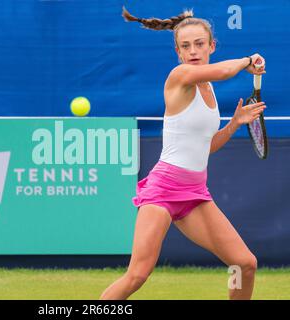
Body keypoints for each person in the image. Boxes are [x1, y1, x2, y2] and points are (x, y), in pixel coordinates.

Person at [100, 7, 266, 300]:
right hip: (163, 190)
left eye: (200, 44)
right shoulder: (180, 76)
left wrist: (234, 124)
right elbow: (227, 70)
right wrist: (247, 60)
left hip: (195, 193)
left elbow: (206, 146)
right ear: (178, 52)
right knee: (138, 275)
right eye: (186, 46)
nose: (193, 51)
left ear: (211, 46)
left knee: (244, 264)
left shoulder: (209, 88)